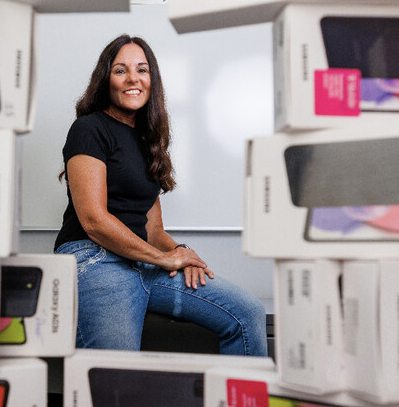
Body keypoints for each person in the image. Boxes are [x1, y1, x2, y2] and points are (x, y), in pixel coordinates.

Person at [54, 33, 268, 356]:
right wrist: (165, 258)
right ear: (105, 80)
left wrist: (182, 253)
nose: (133, 79)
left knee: (247, 315)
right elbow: (94, 220)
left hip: (142, 263)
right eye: (120, 70)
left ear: (152, 80)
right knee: (118, 380)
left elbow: (153, 230)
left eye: (142, 70)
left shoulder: (147, 141)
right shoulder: (89, 129)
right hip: (94, 259)